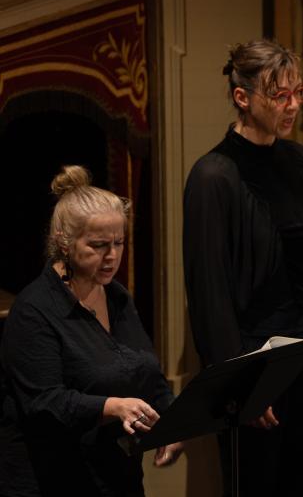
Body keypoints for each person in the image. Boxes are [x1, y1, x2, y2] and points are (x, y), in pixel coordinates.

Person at [182, 39, 303, 495]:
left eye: (298, 93)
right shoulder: (213, 177)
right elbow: (209, 291)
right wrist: (242, 384)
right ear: (242, 98)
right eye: (279, 96)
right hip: (255, 365)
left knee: (294, 484)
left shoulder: (299, 161)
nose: (292, 106)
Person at [0, 165, 181, 496]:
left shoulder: (116, 296)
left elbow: (147, 371)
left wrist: (170, 423)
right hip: (54, 479)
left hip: (116, 473)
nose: (112, 256)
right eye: (98, 245)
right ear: (64, 243)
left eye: (119, 242)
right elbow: (44, 403)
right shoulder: (34, 310)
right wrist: (111, 406)